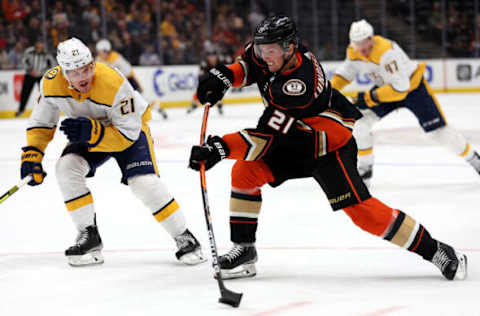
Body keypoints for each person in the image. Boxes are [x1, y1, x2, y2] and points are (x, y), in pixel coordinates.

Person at [188, 16, 467, 281]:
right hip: (291, 136)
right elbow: (249, 66)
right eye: (261, 49)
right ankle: (245, 251)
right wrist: (223, 77)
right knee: (245, 172)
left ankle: (437, 250)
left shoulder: (299, 84)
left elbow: (265, 138)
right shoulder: (267, 54)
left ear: (289, 47)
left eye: (270, 50)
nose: (264, 56)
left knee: (363, 213)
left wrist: (220, 148)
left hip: (327, 144)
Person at [20, 38, 205, 267]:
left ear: (92, 64)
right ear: (63, 71)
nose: (83, 77)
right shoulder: (50, 84)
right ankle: (88, 235)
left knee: (143, 183)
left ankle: (184, 235)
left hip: (127, 128)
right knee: (66, 168)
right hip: (89, 130)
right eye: (75, 72)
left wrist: (94, 132)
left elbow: (127, 133)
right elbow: (42, 123)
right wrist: (32, 154)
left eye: (86, 69)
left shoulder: (113, 81)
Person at [330, 20, 480, 185]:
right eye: (359, 44)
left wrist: (368, 97)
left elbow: (401, 88)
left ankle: (474, 159)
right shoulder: (353, 52)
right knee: (360, 123)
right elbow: (344, 75)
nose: (363, 48)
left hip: (412, 90)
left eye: (366, 42)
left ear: (372, 38)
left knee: (439, 133)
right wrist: (326, 91)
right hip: (385, 90)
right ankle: (365, 170)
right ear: (353, 43)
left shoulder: (386, 51)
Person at [95, 38, 168, 119]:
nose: (100, 54)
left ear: (107, 50)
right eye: (99, 51)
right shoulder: (99, 59)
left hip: (129, 79)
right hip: (116, 83)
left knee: (141, 97)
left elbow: (127, 71)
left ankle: (158, 108)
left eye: (102, 51)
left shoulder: (116, 58)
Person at [16, 40, 56, 117]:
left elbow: (52, 64)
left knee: (44, 93)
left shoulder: (46, 53)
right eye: (38, 46)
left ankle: (47, 110)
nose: (39, 48)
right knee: (25, 93)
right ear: (35, 45)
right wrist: (29, 70)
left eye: (41, 46)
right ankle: (21, 110)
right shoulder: (29, 51)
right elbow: (23, 61)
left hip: (41, 75)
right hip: (30, 75)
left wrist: (45, 72)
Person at [186, 47, 231, 115]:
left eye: (213, 56)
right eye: (210, 57)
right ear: (207, 57)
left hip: (218, 81)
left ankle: (219, 106)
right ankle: (194, 105)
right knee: (199, 92)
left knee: (219, 91)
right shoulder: (204, 64)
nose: (212, 58)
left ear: (216, 57)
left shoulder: (220, 62)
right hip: (207, 81)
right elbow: (200, 76)